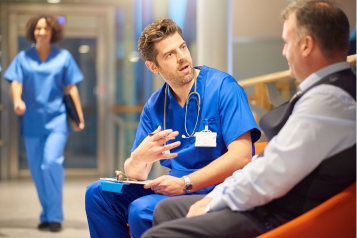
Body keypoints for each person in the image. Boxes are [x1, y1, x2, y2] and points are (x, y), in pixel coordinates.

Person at [142, 1, 356, 237]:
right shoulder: (326, 93)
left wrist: (213, 200)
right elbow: (269, 160)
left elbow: (272, 172)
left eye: (286, 42)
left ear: (306, 45)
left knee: (156, 234)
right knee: (166, 210)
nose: (283, 52)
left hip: (276, 216)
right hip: (265, 202)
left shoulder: (328, 100)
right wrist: (217, 195)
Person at [85, 19, 261, 238]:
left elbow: (242, 156)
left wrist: (186, 183)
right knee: (99, 193)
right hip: (172, 186)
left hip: (215, 185)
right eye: (169, 54)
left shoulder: (223, 87)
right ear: (153, 66)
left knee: (143, 210)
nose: (182, 57)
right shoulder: (155, 105)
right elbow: (137, 174)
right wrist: (137, 159)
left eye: (183, 47)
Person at [4, 14, 85, 232]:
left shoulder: (64, 57)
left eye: (46, 29)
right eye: (38, 29)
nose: (41, 32)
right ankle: (46, 214)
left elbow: (71, 87)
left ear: (53, 32)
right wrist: (18, 100)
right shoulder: (23, 57)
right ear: (33, 31)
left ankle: (55, 216)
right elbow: (16, 81)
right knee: (37, 171)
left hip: (57, 119)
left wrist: (78, 115)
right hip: (32, 121)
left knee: (51, 162)